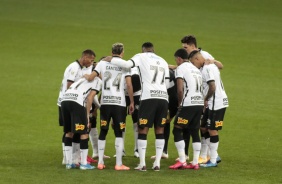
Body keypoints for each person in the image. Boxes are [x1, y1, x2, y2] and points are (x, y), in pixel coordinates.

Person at [106, 42, 170, 171]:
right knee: (160, 130)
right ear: (153, 50)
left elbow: (127, 65)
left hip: (148, 98)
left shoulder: (141, 56)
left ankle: (142, 164)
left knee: (143, 130)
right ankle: (157, 163)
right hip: (163, 98)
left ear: (143, 50)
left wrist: (111, 59)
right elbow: (167, 82)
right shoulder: (163, 60)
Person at [84, 43, 134, 171]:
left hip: (105, 103)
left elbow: (92, 77)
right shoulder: (125, 65)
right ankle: (118, 164)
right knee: (119, 132)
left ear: (111, 52)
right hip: (120, 104)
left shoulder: (102, 63)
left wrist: (86, 76)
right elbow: (129, 86)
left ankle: (100, 162)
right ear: (122, 52)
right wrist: (132, 102)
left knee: (103, 131)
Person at [181, 35, 224, 164]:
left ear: (193, 46)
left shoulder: (204, 57)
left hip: (211, 99)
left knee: (209, 127)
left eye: (185, 47)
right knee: (203, 127)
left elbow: (220, 65)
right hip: (205, 97)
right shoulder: (192, 59)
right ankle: (206, 155)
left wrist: (212, 61)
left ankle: (211, 156)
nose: (184, 50)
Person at [189, 50, 229, 167]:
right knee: (203, 127)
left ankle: (213, 159)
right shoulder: (211, 65)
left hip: (216, 103)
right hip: (212, 102)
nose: (193, 66)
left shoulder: (207, 69)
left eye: (193, 63)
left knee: (212, 130)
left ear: (197, 59)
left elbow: (212, 86)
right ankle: (211, 156)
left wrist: (205, 99)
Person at [57, 49, 95, 165]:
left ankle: (72, 158)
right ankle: (67, 157)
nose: (91, 63)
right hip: (69, 102)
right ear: (85, 57)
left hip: (66, 101)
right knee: (69, 130)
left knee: (71, 130)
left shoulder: (79, 67)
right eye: (91, 60)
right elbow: (69, 86)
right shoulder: (74, 67)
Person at [169, 49, 204, 170]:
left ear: (179, 59)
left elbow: (179, 89)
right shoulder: (196, 69)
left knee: (177, 129)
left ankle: (182, 160)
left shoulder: (181, 68)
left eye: (176, 60)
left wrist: (180, 104)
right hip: (199, 103)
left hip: (188, 103)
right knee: (194, 131)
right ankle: (195, 162)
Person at [61, 77, 101, 170]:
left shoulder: (82, 78)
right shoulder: (98, 81)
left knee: (69, 131)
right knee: (84, 132)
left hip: (65, 100)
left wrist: (99, 106)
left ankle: (69, 163)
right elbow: (91, 97)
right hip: (77, 102)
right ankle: (83, 164)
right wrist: (87, 117)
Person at [82, 61, 110, 161]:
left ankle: (96, 152)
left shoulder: (96, 78)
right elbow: (91, 96)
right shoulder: (96, 79)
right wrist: (100, 106)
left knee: (92, 126)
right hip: (85, 104)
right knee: (85, 128)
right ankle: (82, 156)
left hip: (89, 104)